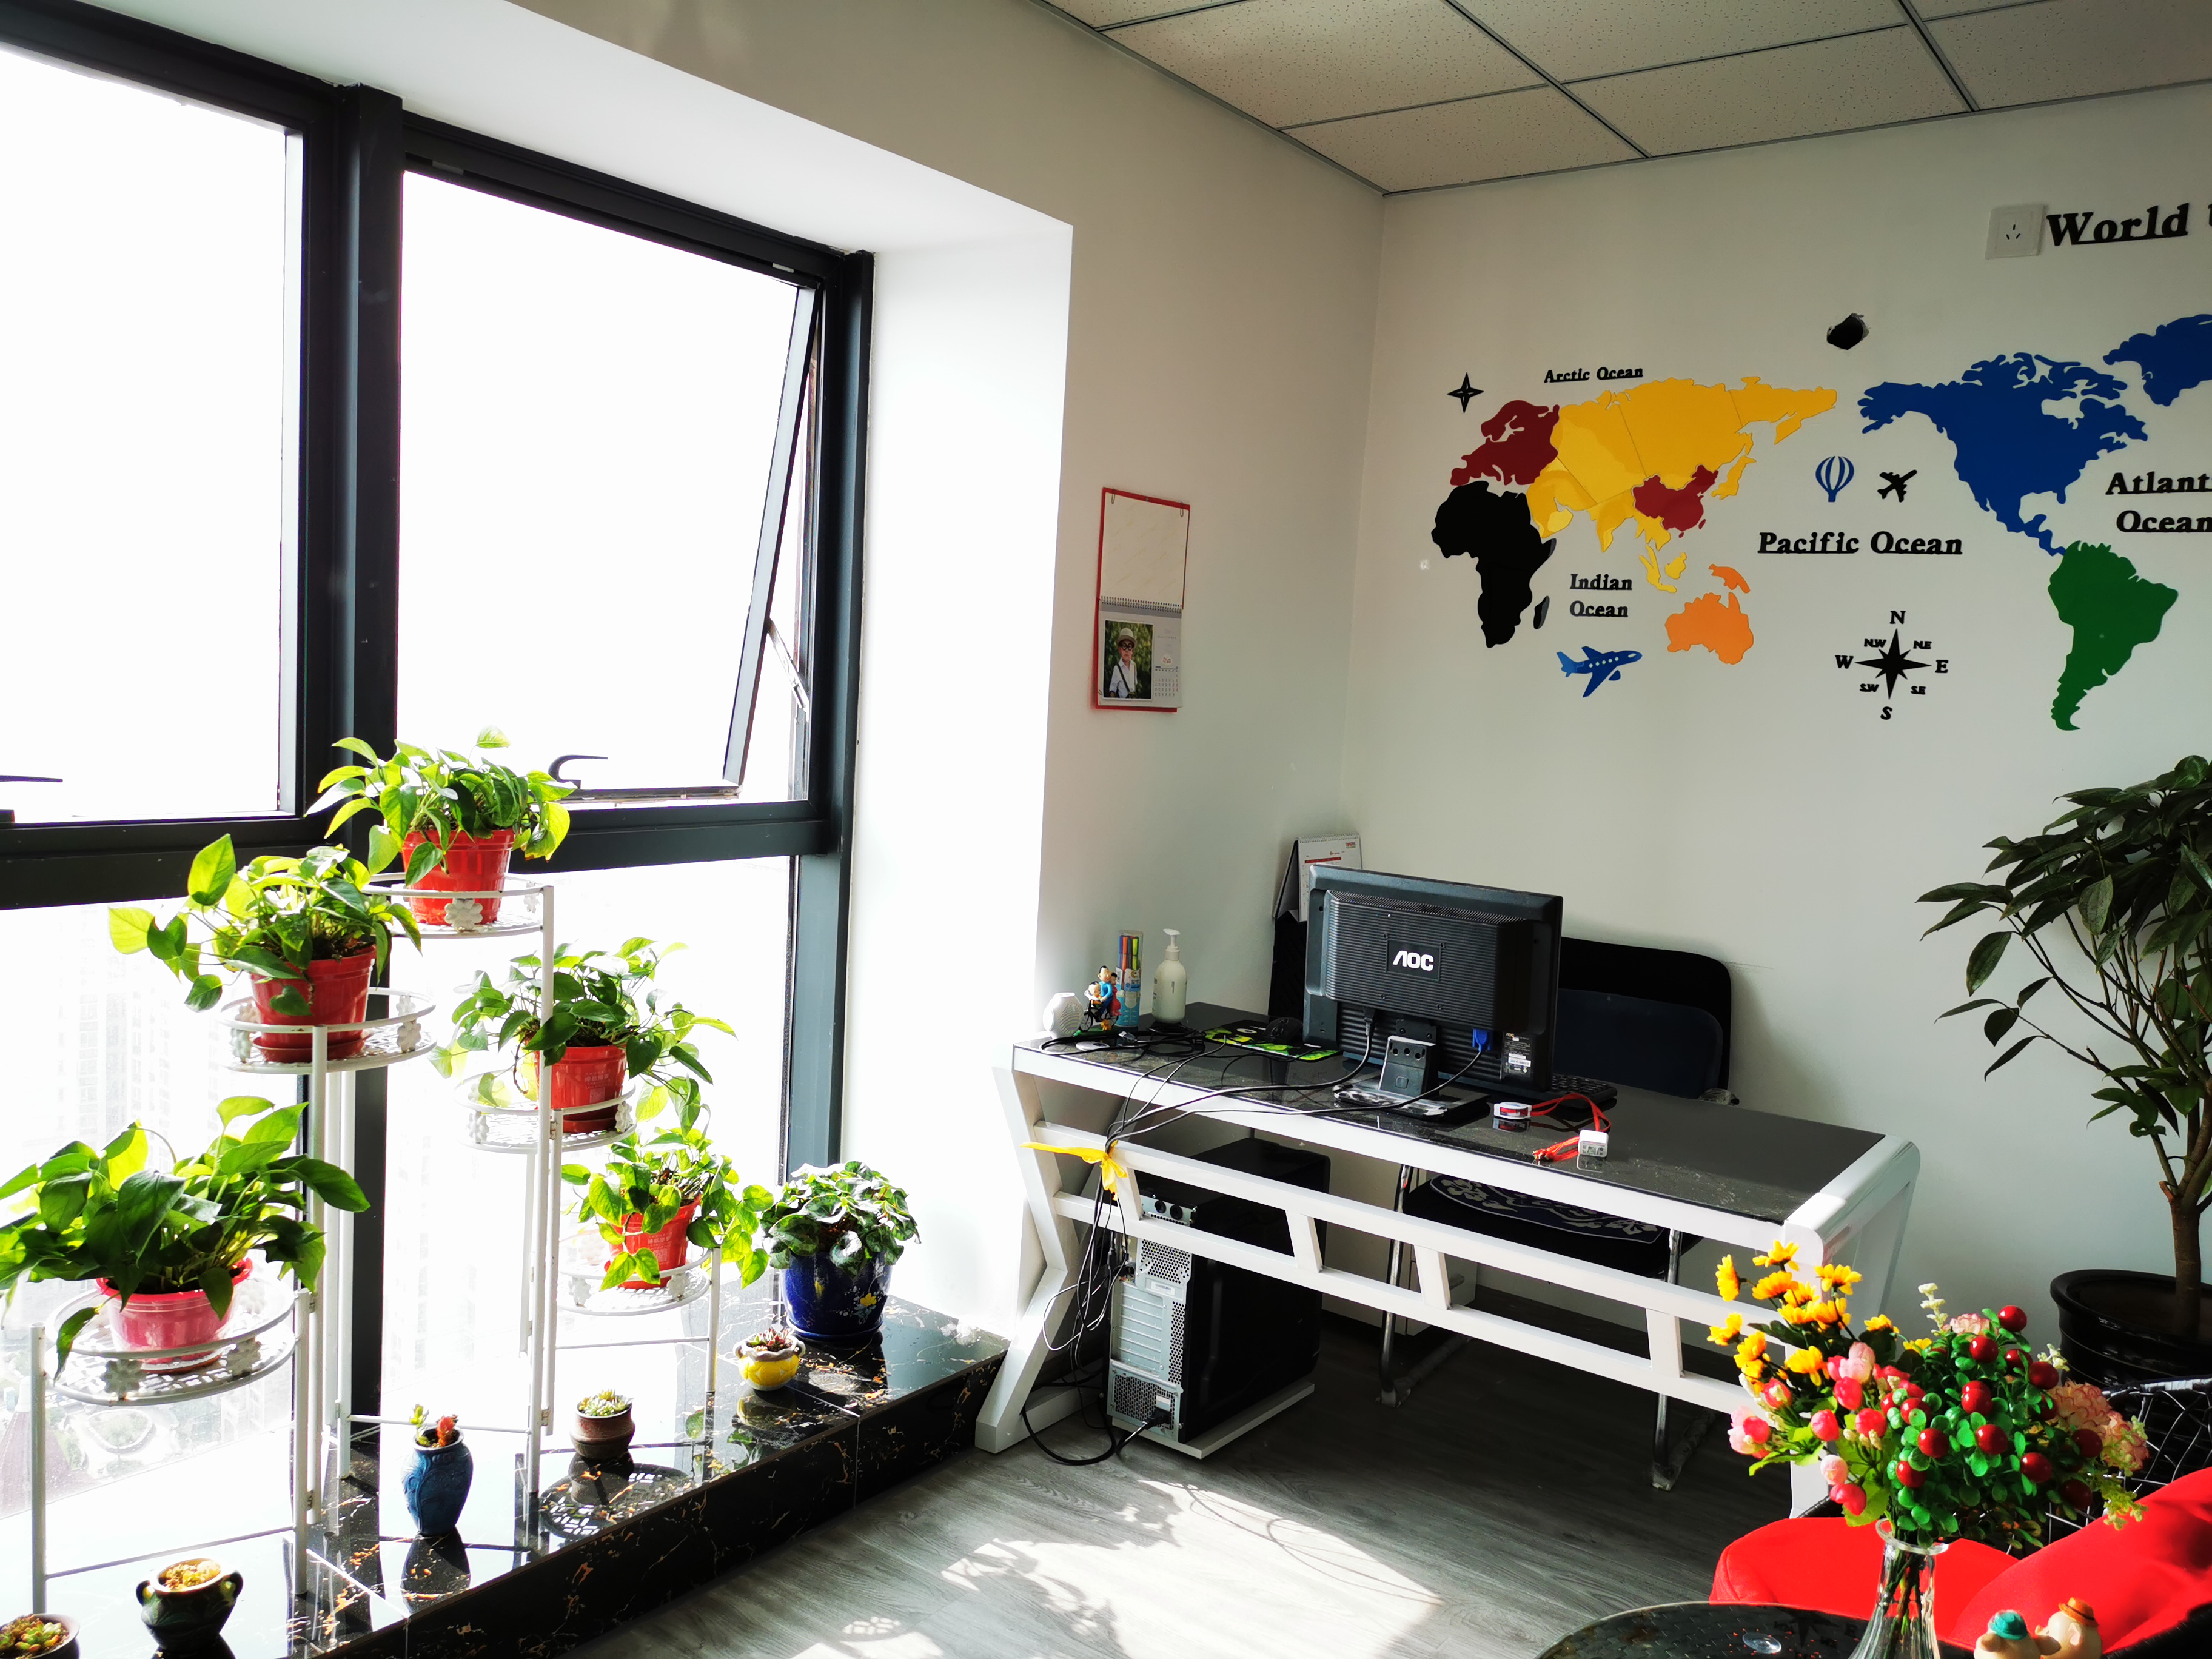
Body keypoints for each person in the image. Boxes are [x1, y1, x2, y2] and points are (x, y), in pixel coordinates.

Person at [1105, 626, 1144, 699]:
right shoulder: (1117, 668)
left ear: (1132, 651)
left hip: (1134, 700)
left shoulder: (1134, 665)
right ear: (1120, 650)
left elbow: (1135, 685)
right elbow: (1113, 689)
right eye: (1124, 646)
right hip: (1123, 701)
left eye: (1129, 647)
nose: (1127, 650)